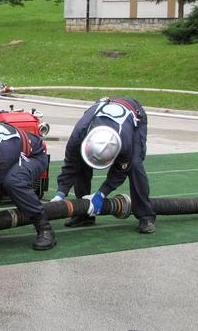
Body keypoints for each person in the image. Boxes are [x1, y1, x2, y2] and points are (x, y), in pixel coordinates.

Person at [51, 97, 156, 233]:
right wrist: (60, 193)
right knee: (80, 163)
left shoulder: (125, 144)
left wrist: (101, 194)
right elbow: (71, 165)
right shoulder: (79, 135)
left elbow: (120, 171)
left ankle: (146, 216)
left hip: (133, 114)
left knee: (135, 165)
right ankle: (84, 213)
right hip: (104, 109)